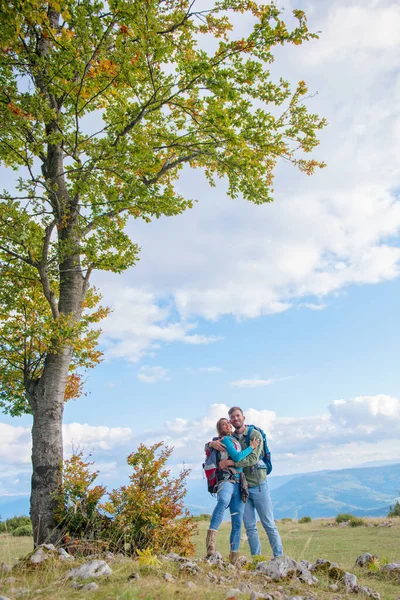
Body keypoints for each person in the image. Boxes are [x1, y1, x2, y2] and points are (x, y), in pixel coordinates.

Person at [210, 406, 283, 558]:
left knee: (268, 524)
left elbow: (252, 459)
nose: (235, 419)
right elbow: (216, 444)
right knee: (250, 527)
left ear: (243, 417)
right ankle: (257, 560)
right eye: (232, 417)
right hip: (242, 488)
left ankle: (279, 559)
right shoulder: (231, 437)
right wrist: (210, 444)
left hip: (258, 484)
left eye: (238, 416)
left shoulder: (255, 435)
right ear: (230, 420)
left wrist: (231, 463)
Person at [206, 417, 260, 564]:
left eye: (228, 423)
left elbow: (238, 460)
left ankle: (234, 557)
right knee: (223, 500)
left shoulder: (235, 440)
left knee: (237, 520)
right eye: (224, 424)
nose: (228, 425)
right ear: (220, 429)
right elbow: (237, 457)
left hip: (239, 482)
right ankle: (210, 543)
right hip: (226, 479)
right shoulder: (225, 441)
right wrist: (252, 447)